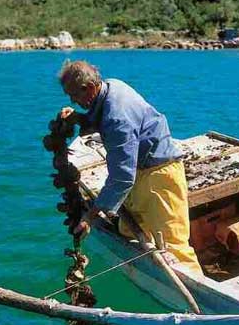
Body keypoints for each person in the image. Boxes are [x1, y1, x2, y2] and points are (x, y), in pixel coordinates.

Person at [58, 60, 202, 275]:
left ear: (88, 88)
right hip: (141, 170)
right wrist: (80, 118)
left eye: (74, 96)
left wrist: (91, 216)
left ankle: (202, 301)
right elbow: (102, 118)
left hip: (159, 176)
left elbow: (122, 177)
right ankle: (146, 268)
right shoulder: (112, 86)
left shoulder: (117, 118)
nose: (73, 100)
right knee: (129, 228)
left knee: (175, 246)